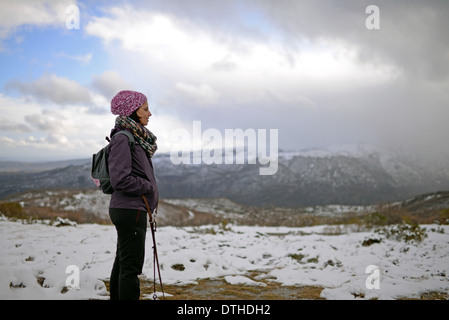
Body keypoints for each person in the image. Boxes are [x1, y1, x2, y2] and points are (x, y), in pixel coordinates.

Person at [107, 90, 159, 300]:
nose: (150, 113)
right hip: (130, 210)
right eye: (145, 109)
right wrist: (147, 187)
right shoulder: (123, 138)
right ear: (133, 111)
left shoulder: (135, 137)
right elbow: (119, 179)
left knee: (123, 262)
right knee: (131, 268)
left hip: (132, 209)